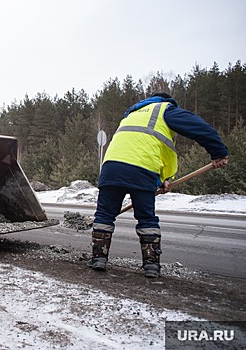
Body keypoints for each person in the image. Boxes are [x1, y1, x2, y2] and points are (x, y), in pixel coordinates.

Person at [88, 92, 229, 278]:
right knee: (146, 218)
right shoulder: (165, 110)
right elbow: (200, 128)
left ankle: (99, 258)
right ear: (168, 101)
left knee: (105, 214)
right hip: (141, 170)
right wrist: (218, 151)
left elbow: (141, 147)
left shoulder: (131, 115)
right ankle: (151, 266)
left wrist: (162, 179)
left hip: (111, 168)